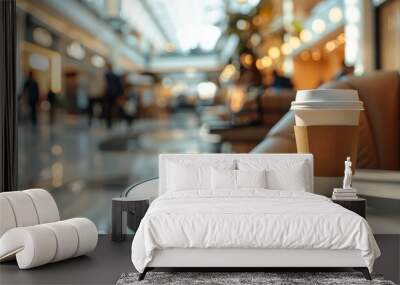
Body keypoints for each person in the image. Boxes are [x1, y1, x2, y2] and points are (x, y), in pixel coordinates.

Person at [104, 63, 123, 129]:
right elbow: (119, 86)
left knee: (109, 108)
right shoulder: (115, 76)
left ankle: (109, 122)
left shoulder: (105, 75)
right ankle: (114, 120)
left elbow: (104, 85)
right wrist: (120, 94)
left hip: (108, 94)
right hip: (114, 94)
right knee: (114, 108)